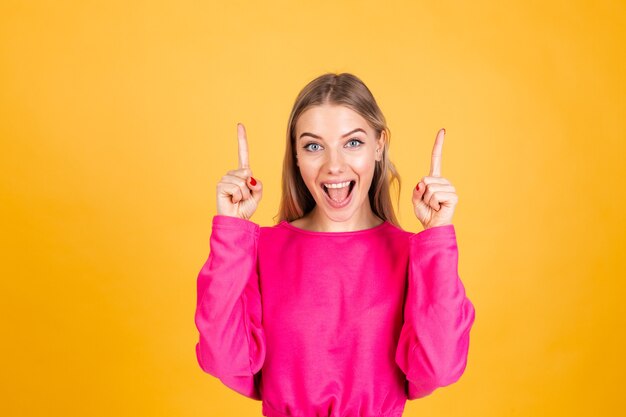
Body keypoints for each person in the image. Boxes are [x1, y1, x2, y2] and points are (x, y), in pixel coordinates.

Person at [194, 73, 476, 417]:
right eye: (314, 146)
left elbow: (439, 369)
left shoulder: (412, 254)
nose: (334, 165)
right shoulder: (260, 250)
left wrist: (437, 235)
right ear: (296, 156)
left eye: (353, 142)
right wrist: (232, 230)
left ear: (379, 145)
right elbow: (224, 362)